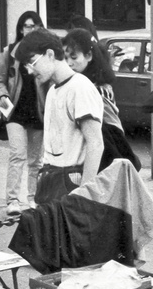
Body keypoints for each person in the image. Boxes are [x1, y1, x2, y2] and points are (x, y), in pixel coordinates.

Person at [14, 28, 103, 207]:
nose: (30, 71)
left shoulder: (80, 87)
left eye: (32, 62)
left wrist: (84, 195)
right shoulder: (53, 91)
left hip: (71, 181)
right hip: (50, 179)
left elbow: (95, 143)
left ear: (49, 54)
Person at [0, 11, 46, 214]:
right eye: (27, 26)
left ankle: (33, 198)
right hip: (16, 112)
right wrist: (2, 97)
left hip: (39, 113)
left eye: (34, 26)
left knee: (36, 160)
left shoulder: (46, 52)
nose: (31, 30)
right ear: (21, 29)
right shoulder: (11, 52)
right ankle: (12, 200)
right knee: (17, 155)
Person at [63, 27, 139, 170]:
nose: (69, 63)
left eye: (73, 58)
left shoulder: (96, 89)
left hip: (106, 151)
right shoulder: (82, 82)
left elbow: (112, 127)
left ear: (89, 56)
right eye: (65, 58)